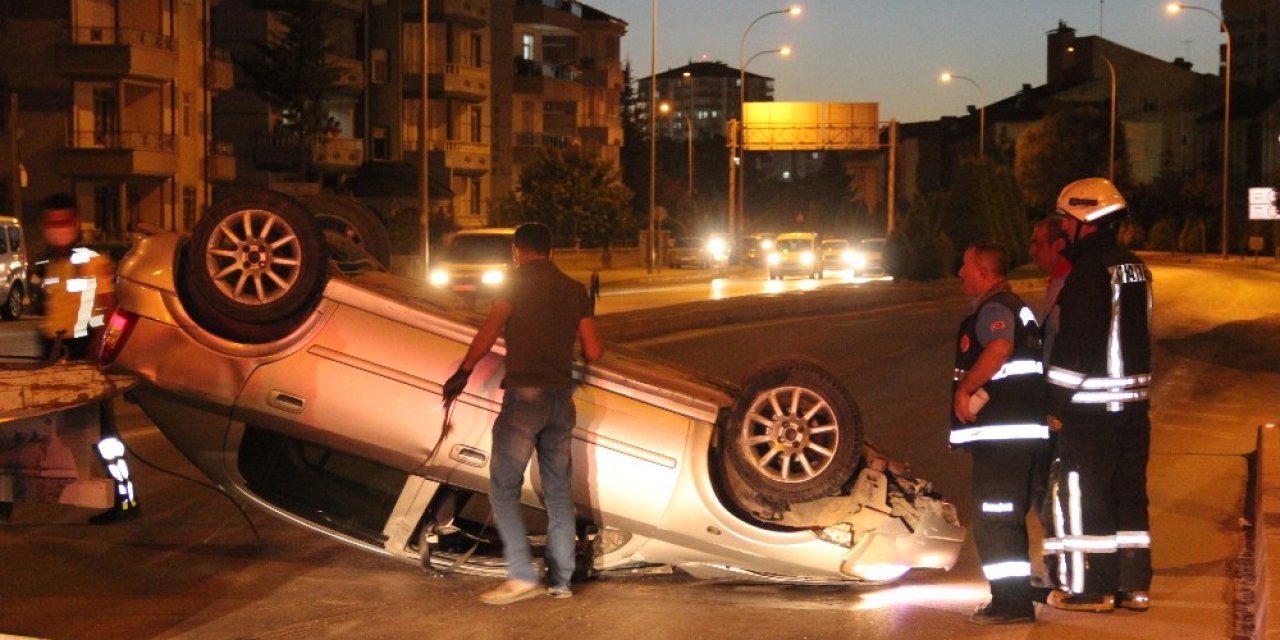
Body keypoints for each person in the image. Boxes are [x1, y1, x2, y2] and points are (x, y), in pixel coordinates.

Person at [441, 222, 604, 605]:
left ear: (516, 251)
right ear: (551, 251)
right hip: (560, 401)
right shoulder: (575, 290)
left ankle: (521, 575)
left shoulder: (514, 284)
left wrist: (464, 371)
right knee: (559, 494)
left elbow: (489, 330)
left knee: (503, 489)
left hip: (523, 400)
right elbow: (594, 351)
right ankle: (560, 583)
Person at [1043, 177, 1153, 613]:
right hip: (1133, 408)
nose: (1062, 227)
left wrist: (1054, 403)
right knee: (1128, 494)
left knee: (1082, 494)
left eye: (1065, 219)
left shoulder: (1088, 271)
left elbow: (1077, 347)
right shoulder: (1135, 267)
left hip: (1091, 411)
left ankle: (1090, 589)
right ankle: (1133, 585)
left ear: (1083, 218)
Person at [951, 241, 1050, 625]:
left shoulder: (994, 309)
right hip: (1021, 436)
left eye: (965, 266)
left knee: (995, 521)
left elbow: (999, 348)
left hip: (1004, 438)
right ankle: (1014, 598)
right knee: (1006, 519)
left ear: (983, 272)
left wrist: (966, 388)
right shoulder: (1018, 306)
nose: (960, 273)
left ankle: (1011, 604)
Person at [1026, 216, 1071, 595]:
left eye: (1037, 243)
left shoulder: (1071, 284)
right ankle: (1056, 570)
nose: (1031, 250)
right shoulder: (1057, 282)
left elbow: (1066, 351)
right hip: (1053, 402)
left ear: (1058, 245)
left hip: (1062, 409)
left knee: (1051, 490)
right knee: (1044, 488)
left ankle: (1058, 574)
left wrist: (1055, 406)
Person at [37, 193, 116, 360]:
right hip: (51, 346)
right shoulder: (47, 265)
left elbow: (109, 309)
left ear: (76, 224)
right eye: (53, 224)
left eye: (64, 223)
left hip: (82, 346)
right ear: (44, 226)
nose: (59, 229)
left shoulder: (92, 261)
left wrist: (100, 345)